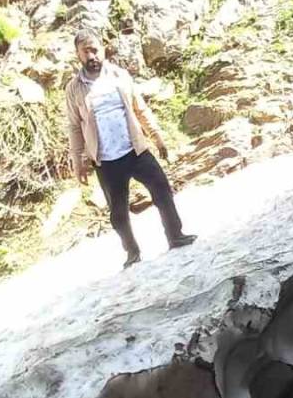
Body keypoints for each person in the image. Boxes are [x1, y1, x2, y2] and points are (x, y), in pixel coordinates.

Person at [64, 28, 196, 267]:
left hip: (135, 149)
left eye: (94, 49)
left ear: (102, 49)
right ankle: (132, 252)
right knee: (118, 213)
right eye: (85, 52)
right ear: (78, 56)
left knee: (162, 190)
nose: (91, 55)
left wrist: (157, 137)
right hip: (105, 159)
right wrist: (79, 162)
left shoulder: (118, 75)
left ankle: (175, 235)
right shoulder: (74, 89)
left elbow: (140, 108)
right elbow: (74, 127)